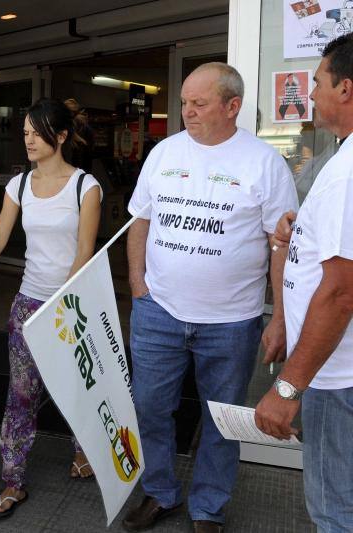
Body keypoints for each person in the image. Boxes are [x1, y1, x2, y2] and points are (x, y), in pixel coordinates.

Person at [122, 63, 298, 533]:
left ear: (232, 106)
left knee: (222, 420)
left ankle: (208, 508)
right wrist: (138, 288)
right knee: (150, 407)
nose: (187, 112)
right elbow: (139, 222)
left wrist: (279, 317)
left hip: (232, 323)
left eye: (199, 104)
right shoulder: (164, 153)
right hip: (158, 312)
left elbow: (279, 246)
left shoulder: (264, 162)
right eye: (183, 102)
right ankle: (160, 493)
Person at [0, 97, 102, 520]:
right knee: (20, 394)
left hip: (71, 306)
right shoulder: (19, 185)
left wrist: (63, 304)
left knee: (76, 389)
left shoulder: (85, 187)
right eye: (26, 134)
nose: (29, 141)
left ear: (62, 136)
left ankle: (84, 450)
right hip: (28, 304)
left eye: (37, 133)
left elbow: (84, 253)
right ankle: (13, 481)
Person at [255, 33, 353, 532]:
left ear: (346, 89)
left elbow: (340, 292)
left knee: (335, 510)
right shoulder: (341, 162)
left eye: (317, 83)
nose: (310, 94)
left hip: (339, 377)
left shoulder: (348, 172)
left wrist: (288, 389)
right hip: (336, 366)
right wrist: (299, 237)